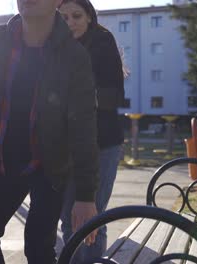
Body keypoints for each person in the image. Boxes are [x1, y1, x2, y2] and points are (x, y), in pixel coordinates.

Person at [0, 0, 100, 263]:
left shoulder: (74, 56)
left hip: (49, 168)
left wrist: (86, 195)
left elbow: (83, 127)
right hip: (6, 163)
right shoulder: (0, 40)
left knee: (38, 249)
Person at [59, 0, 125, 262]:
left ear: (89, 17)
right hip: (66, 145)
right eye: (63, 17)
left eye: (76, 16)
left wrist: (74, 97)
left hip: (103, 142)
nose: (70, 22)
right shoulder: (53, 46)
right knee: (68, 217)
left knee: (90, 215)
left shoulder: (102, 43)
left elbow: (113, 97)